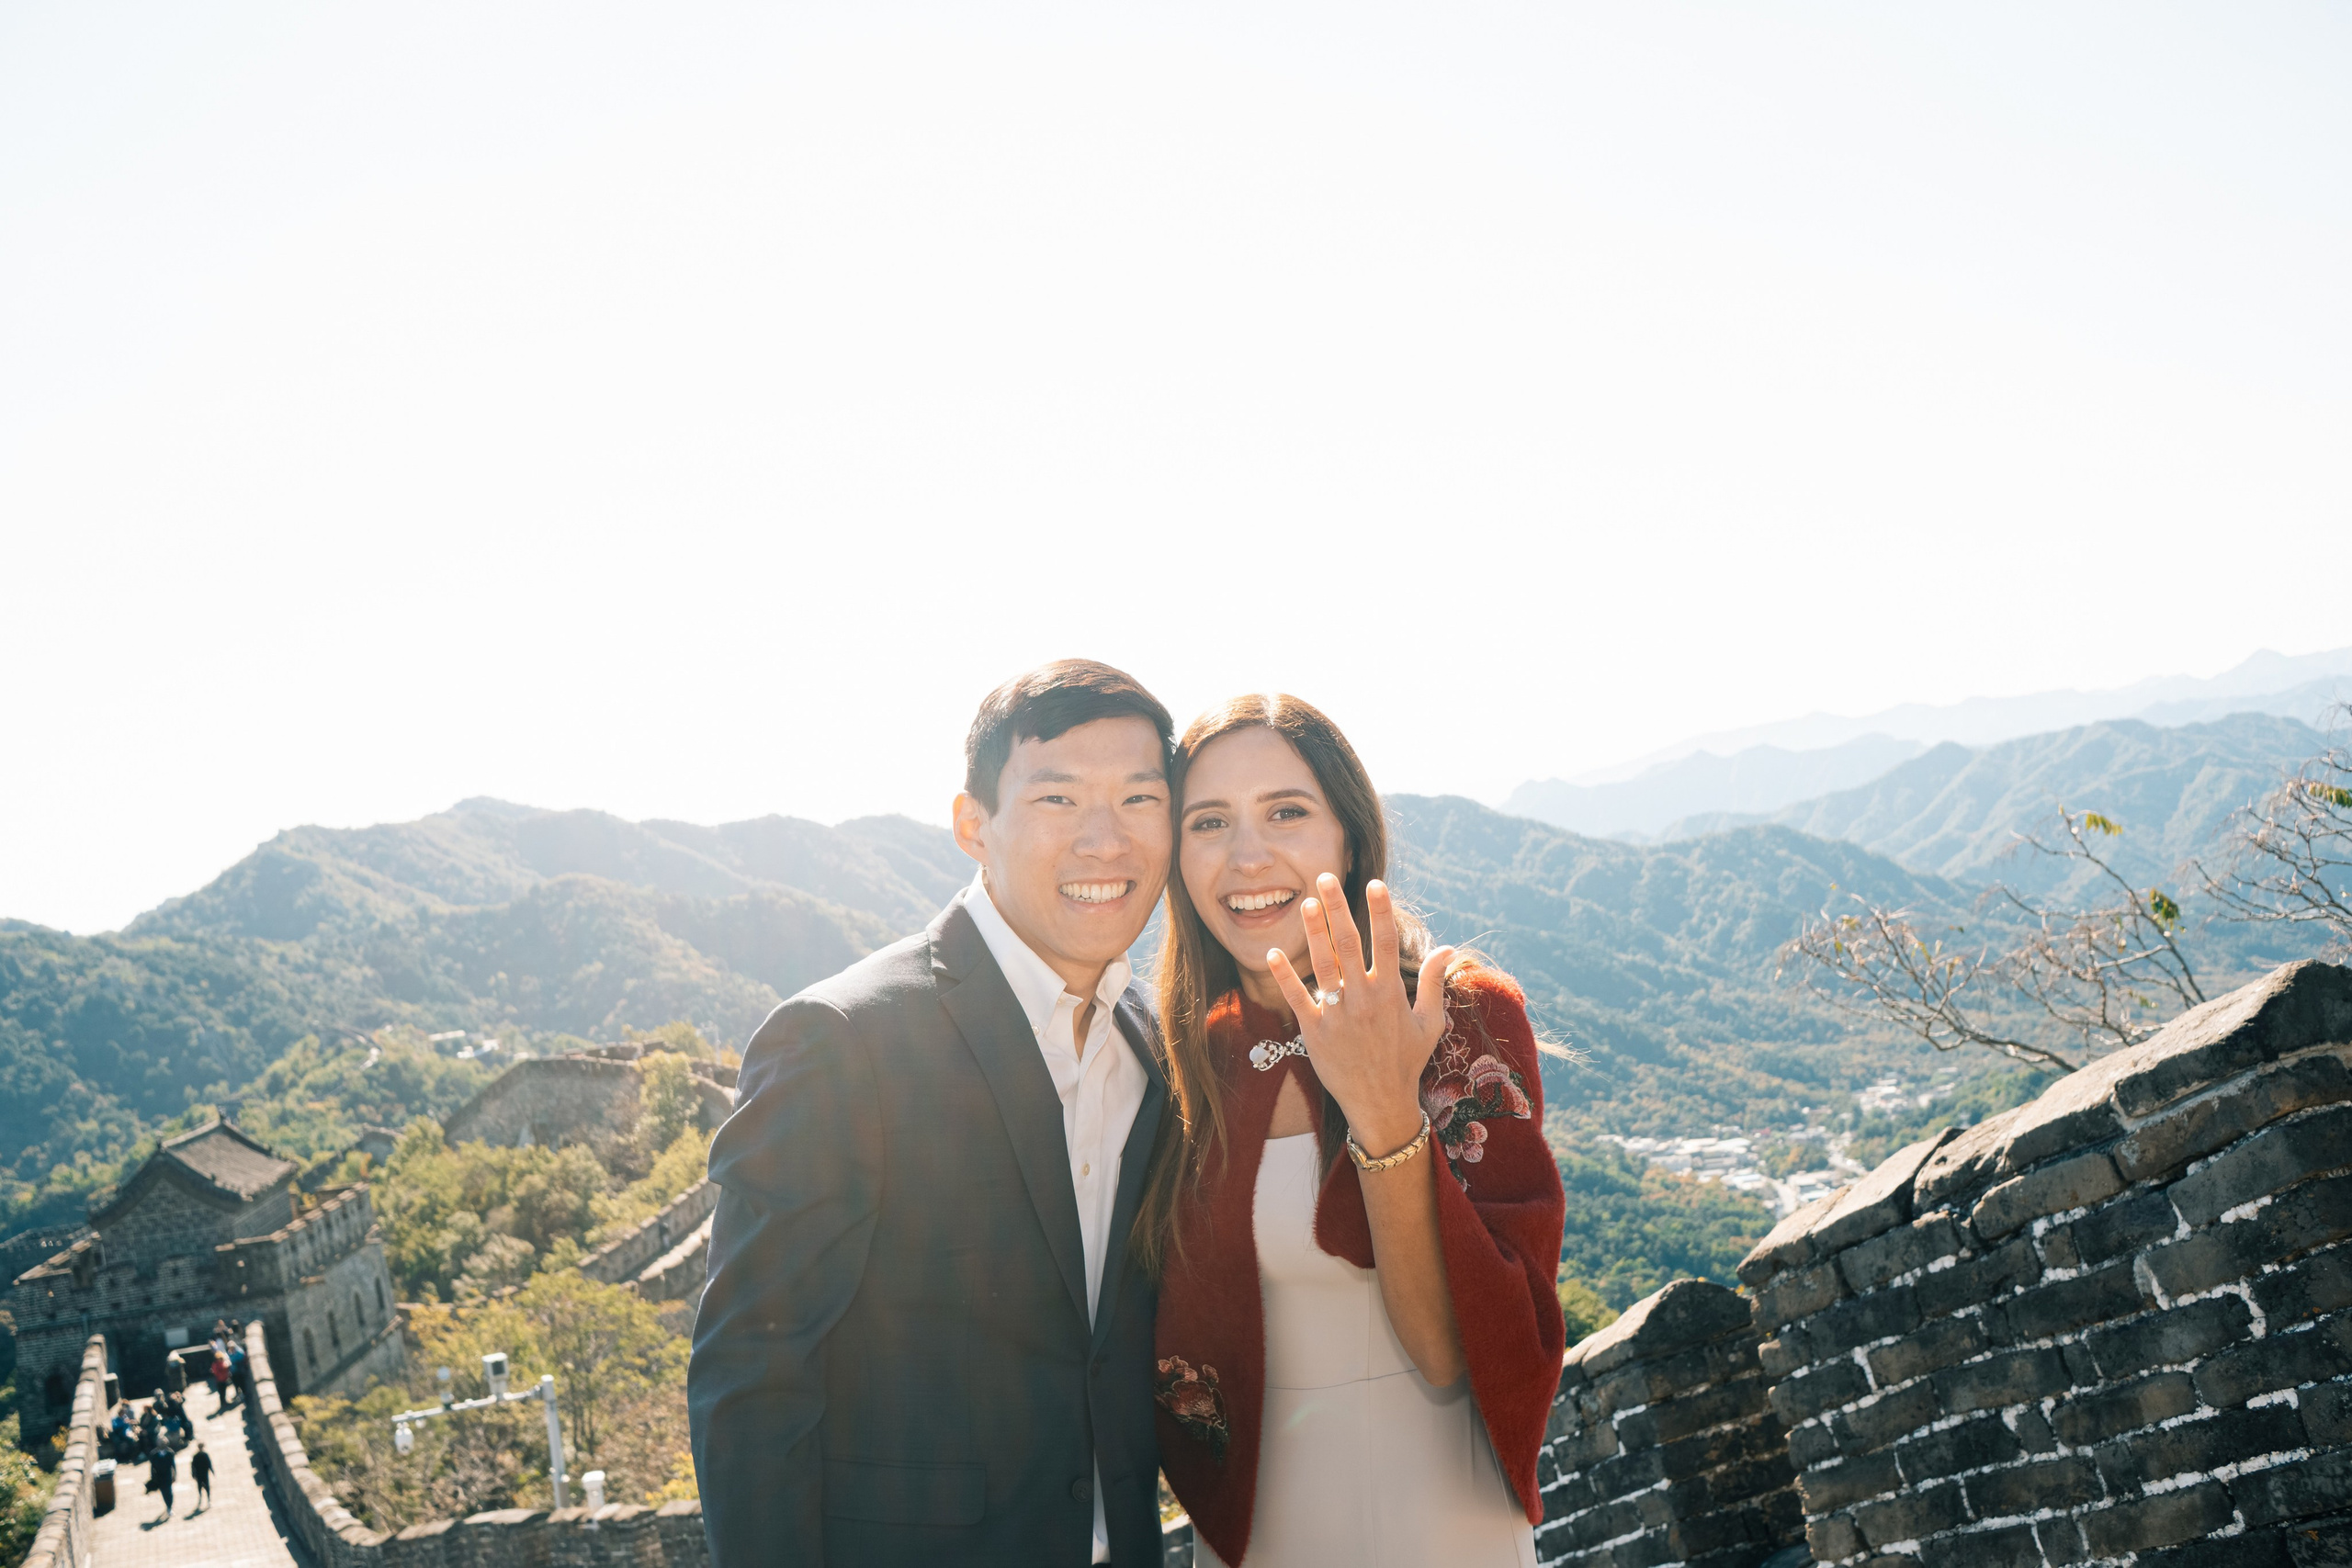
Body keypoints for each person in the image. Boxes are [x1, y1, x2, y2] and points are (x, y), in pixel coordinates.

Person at [691, 660, 1177, 1567]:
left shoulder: (1151, 1044)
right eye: (1059, 801)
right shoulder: (842, 1041)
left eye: (1139, 800)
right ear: (973, 826)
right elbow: (751, 1380)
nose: (1104, 841)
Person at [1139, 694, 1567, 1567]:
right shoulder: (1182, 1060)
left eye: (1286, 812)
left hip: (1440, 1517)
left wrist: (1382, 1109)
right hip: (1255, 1530)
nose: (1246, 855)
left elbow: (1453, 1352)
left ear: (1349, 833)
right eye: (1209, 821)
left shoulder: (1457, 1021)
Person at [148, 1442, 176, 1520]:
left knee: (169, 1492)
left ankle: (170, 1506)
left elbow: (173, 1465)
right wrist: (153, 1477)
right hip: (159, 1477)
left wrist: (174, 1475)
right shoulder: (154, 1454)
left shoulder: (170, 1453)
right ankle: (168, 1505)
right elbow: (152, 1467)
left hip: (168, 1476)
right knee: (164, 1492)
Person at [189, 1443, 213, 1510]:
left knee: (207, 1487)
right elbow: (193, 1466)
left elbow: (209, 1463)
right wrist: (193, 1474)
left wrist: (212, 1470)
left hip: (205, 1474)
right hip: (199, 1474)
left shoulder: (205, 1455)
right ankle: (201, 1498)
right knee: (200, 1487)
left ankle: (208, 1499)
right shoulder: (196, 1456)